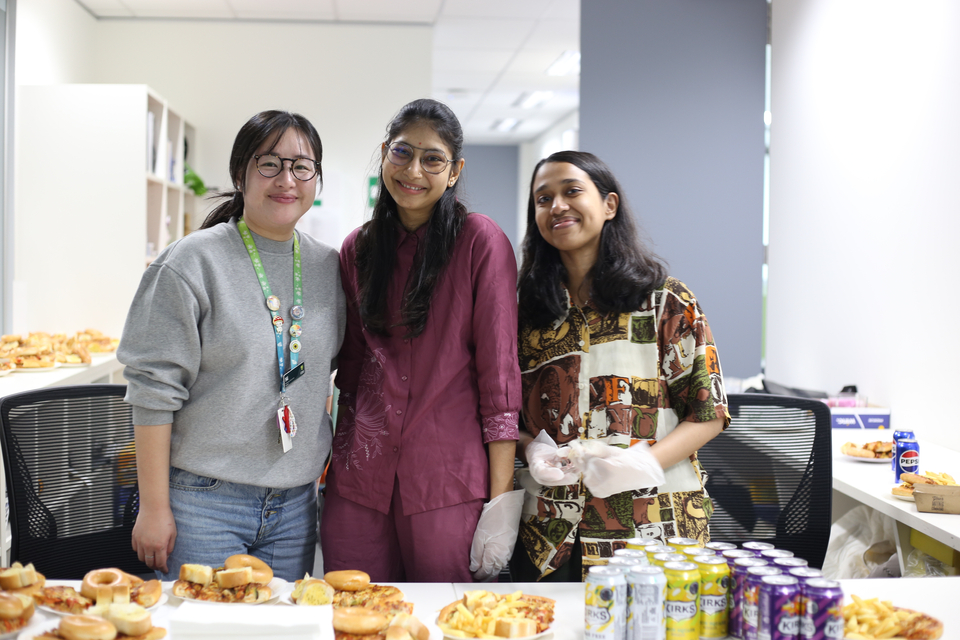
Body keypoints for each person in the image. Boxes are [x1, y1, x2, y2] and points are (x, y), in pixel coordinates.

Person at [118, 110, 346, 582]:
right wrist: (154, 508)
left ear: (316, 179)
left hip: (295, 506)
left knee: (279, 622)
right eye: (269, 163)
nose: (287, 179)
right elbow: (153, 391)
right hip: (203, 503)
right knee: (205, 621)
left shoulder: (330, 267)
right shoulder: (191, 261)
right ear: (240, 173)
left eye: (302, 166)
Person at [321, 98, 523, 582]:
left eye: (432, 159)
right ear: (385, 154)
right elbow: (350, 374)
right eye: (402, 152)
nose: (413, 170)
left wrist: (499, 508)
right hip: (359, 483)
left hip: (445, 484)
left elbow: (499, 380)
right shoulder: (358, 248)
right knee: (352, 612)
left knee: (445, 616)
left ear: (454, 172)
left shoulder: (480, 242)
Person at [512, 150, 730, 581]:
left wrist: (642, 463)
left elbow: (709, 412)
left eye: (572, 191)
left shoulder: (665, 300)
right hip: (552, 531)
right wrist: (530, 450)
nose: (557, 206)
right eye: (543, 198)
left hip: (654, 527)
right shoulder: (527, 315)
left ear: (609, 204)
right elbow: (506, 418)